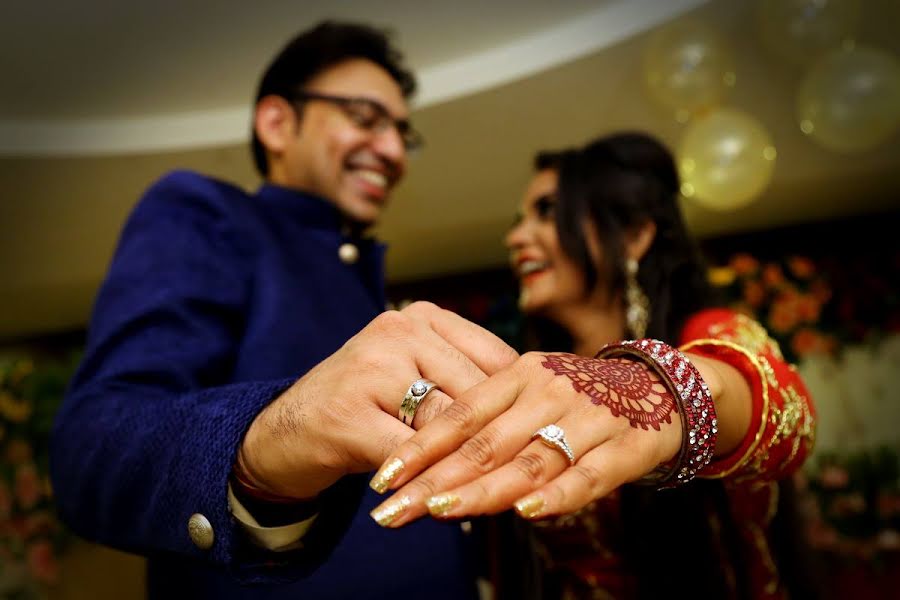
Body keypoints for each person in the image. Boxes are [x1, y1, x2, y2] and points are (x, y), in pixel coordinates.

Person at [50, 21, 519, 599]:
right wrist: (263, 446)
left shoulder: (365, 279)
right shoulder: (206, 214)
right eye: (365, 119)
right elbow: (92, 449)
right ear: (276, 122)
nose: (395, 151)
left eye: (403, 132)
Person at [367, 133, 817, 599]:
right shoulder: (522, 368)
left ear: (633, 235)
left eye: (547, 211)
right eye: (519, 220)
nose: (515, 238)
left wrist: (652, 389)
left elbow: (792, 417)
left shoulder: (707, 333)